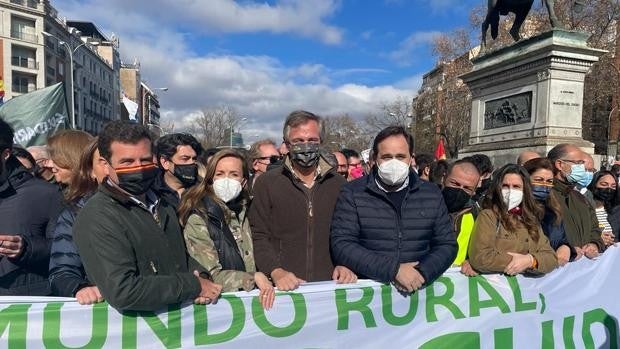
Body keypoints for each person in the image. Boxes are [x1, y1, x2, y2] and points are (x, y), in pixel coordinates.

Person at [73, 121, 222, 311]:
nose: (139, 168)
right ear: (105, 164)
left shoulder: (163, 204)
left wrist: (201, 275)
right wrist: (193, 286)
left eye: (145, 160)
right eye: (127, 162)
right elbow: (123, 291)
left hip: (175, 324)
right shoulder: (98, 215)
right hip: (136, 333)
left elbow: (179, 256)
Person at [331, 126, 457, 292]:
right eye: (387, 157)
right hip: (371, 294)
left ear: (411, 158)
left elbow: (447, 244)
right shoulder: (353, 192)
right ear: (375, 158)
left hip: (420, 292)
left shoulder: (431, 193)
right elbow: (342, 244)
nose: (394, 163)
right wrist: (394, 271)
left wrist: (421, 273)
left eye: (400, 156)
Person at [249, 110, 356, 291]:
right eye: (298, 141)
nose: (306, 146)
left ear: (321, 142)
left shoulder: (339, 184)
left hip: (329, 286)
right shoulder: (267, 183)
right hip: (283, 288)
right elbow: (258, 235)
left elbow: (349, 234)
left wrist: (346, 263)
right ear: (287, 144)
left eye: (312, 140)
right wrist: (275, 271)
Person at [178, 149, 275, 309]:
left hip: (252, 303)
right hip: (221, 307)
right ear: (211, 179)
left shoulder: (247, 210)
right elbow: (210, 276)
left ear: (244, 181)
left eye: (234, 174)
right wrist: (252, 278)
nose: (226, 180)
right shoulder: (199, 217)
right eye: (220, 174)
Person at [0, 118, 63, 295]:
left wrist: (26, 248)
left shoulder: (45, 194)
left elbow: (68, 251)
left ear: (5, 154)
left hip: (23, 311)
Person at [468, 164, 558, 275]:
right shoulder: (489, 216)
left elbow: (551, 257)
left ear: (525, 190)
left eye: (516, 186)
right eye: (505, 186)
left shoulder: (530, 219)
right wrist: (517, 262)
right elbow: (481, 257)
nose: (510, 191)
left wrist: (531, 261)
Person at [49, 138, 107, 304]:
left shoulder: (160, 205)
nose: (51, 165)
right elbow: (61, 270)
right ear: (90, 170)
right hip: (104, 312)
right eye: (103, 162)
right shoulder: (75, 212)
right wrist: (78, 287)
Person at [547, 144, 605, 259]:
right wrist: (568, 249)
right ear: (560, 164)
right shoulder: (545, 197)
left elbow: (595, 229)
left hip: (580, 272)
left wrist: (594, 244)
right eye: (578, 163)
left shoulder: (581, 198)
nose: (582, 168)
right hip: (555, 268)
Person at [523, 158, 577, 266]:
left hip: (551, 273)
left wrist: (566, 248)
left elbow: (561, 238)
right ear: (526, 180)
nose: (544, 185)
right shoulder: (515, 210)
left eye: (549, 181)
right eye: (538, 179)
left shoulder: (553, 210)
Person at [441, 160, 481, 276]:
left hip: (458, 280)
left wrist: (473, 261)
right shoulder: (424, 205)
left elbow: (483, 248)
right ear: (444, 179)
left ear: (474, 192)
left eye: (467, 188)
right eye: (455, 184)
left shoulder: (477, 215)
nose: (459, 190)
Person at [153, 133, 203, 209]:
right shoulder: (152, 195)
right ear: (165, 162)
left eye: (194, 159)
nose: (192, 163)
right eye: (185, 158)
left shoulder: (203, 192)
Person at [588, 171, 618, 247]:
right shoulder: (583, 209)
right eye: (604, 184)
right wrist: (596, 238)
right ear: (594, 185)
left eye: (613, 186)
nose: (609, 189)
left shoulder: (616, 211)